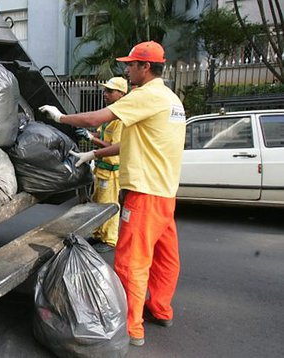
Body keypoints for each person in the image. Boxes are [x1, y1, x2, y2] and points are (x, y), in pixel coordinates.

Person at [39, 41, 186, 347]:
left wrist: (60, 118)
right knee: (165, 258)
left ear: (145, 67)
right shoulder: (171, 99)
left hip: (144, 194)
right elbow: (136, 142)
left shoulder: (146, 95)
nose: (127, 69)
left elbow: (96, 119)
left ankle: (132, 328)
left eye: (131, 65)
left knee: (132, 261)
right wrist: (93, 156)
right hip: (165, 193)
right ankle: (160, 308)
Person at [77, 77, 127, 253]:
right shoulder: (110, 117)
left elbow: (114, 147)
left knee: (109, 205)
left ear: (121, 94)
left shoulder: (121, 120)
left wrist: (92, 139)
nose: (105, 94)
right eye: (105, 90)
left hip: (112, 172)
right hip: (102, 169)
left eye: (110, 91)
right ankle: (98, 234)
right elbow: (100, 133)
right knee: (99, 203)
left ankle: (109, 239)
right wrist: (88, 133)